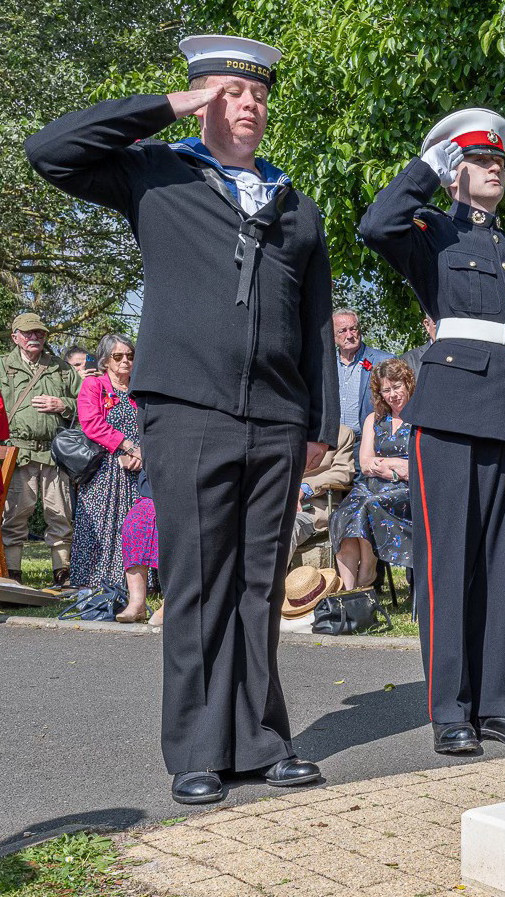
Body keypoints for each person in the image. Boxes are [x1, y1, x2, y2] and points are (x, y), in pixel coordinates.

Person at [27, 34, 339, 804]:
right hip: (187, 410)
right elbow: (51, 150)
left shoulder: (294, 205)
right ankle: (198, 748)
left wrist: (320, 424)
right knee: (198, 580)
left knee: (259, 583)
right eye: (232, 92)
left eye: (259, 95)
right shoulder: (156, 175)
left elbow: (315, 320)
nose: (250, 105)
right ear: (202, 100)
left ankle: (262, 740)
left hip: (275, 416)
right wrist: (164, 107)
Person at [360, 107, 505, 754]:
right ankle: (450, 709)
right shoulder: (431, 233)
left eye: (500, 162)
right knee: (448, 567)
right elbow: (374, 223)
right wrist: (425, 167)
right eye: (480, 161)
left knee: (503, 567)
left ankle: (500, 703)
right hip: (445, 418)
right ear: (454, 174)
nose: (494, 169)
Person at [0, 313, 80, 585]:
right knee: (14, 516)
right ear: (15, 337)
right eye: (28, 333)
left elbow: (88, 403)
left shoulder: (60, 368)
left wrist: (63, 405)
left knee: (60, 516)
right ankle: (12, 575)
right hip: (17, 454)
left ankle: (62, 574)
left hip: (53, 454)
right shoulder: (2, 366)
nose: (35, 337)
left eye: (40, 333)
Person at [72, 334, 145, 599]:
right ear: (105, 360)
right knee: (100, 525)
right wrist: (126, 446)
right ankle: (90, 584)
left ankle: (131, 586)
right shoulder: (94, 386)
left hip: (138, 466)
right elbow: (91, 423)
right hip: (104, 468)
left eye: (130, 355)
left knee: (134, 523)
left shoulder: (140, 388)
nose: (125, 361)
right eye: (118, 356)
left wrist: (142, 452)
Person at [330, 359, 413, 590]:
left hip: (405, 491)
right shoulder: (373, 419)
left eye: (397, 387)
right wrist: (397, 464)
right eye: (386, 390)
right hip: (371, 486)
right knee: (344, 514)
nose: (393, 394)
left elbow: (416, 467)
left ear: (408, 383)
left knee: (368, 507)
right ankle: (349, 593)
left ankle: (366, 575)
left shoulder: (421, 418)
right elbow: (366, 463)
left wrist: (387, 465)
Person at [290, 423, 356, 559]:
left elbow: (342, 472)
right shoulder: (281, 428)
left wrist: (304, 488)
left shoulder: (341, 433)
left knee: (284, 529)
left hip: (311, 508)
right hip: (272, 504)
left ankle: (270, 580)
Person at [334, 308, 394, 448]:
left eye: (353, 329)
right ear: (332, 335)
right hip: (332, 446)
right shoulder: (324, 363)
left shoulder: (383, 361)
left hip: (367, 444)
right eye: (342, 331)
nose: (349, 335)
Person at [121, 467, 161, 624]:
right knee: (135, 524)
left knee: (173, 532)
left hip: (183, 493)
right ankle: (137, 604)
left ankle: (172, 603)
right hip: (151, 492)